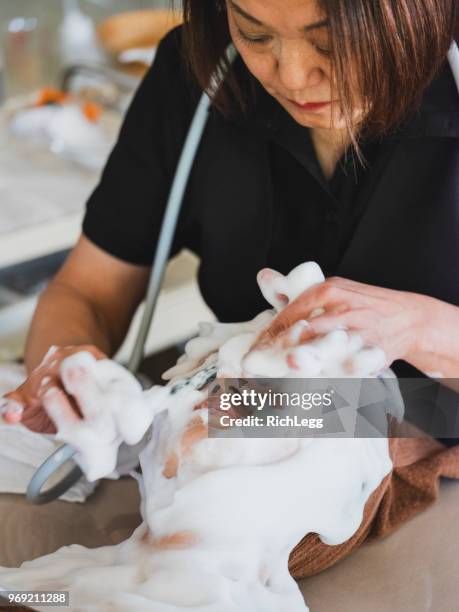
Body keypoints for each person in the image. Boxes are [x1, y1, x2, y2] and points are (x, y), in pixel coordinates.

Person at [2, 0, 459, 438]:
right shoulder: (199, 74)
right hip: (239, 427)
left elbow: (384, 419)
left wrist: (420, 328)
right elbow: (87, 292)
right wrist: (65, 372)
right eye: (256, 34)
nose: (294, 76)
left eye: (333, 42)